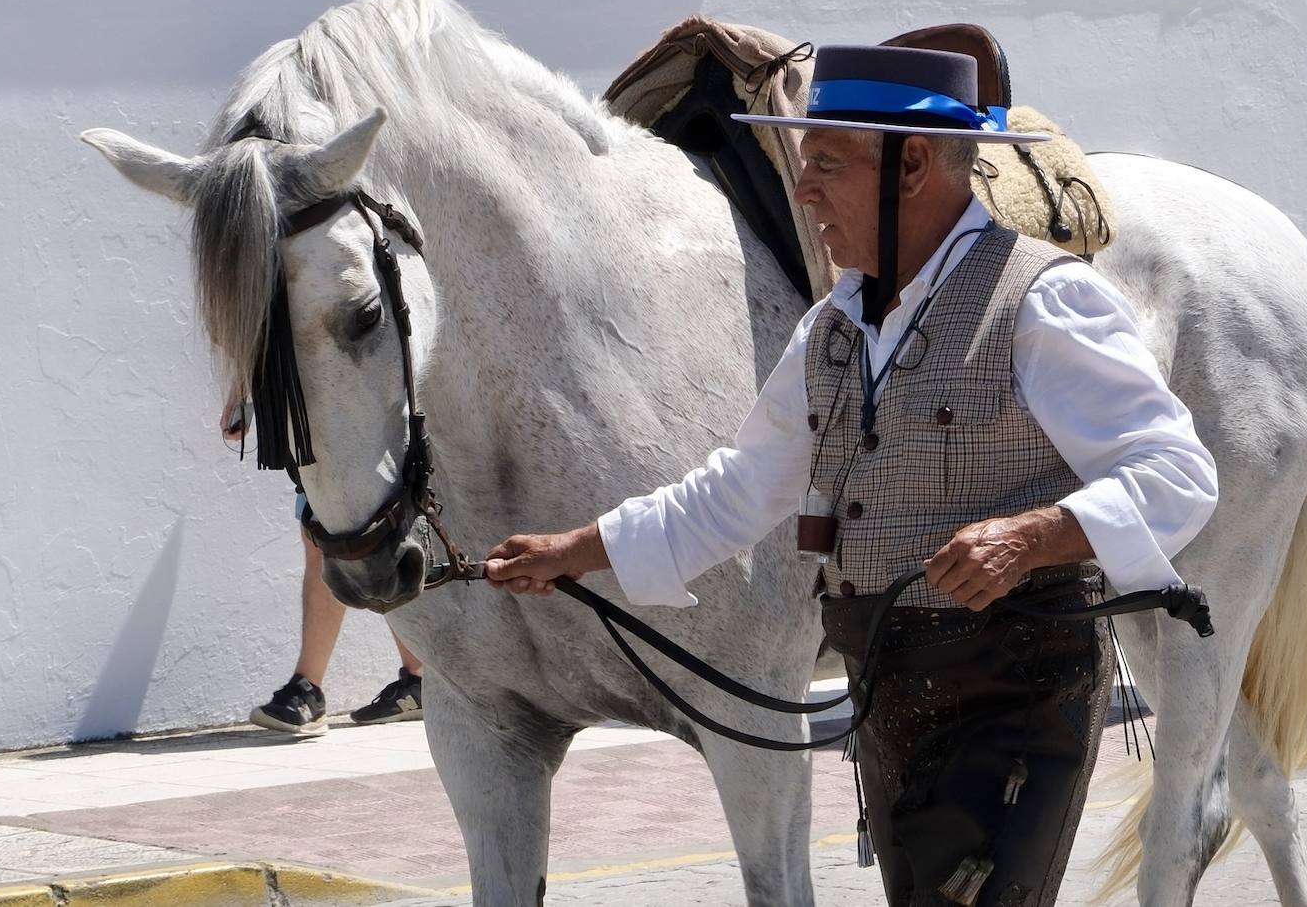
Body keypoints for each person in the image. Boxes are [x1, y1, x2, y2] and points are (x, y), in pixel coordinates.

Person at [482, 45, 1217, 907]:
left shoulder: (1042, 303)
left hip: (1016, 698)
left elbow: (1177, 473)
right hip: (889, 697)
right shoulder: (834, 326)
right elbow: (736, 488)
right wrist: (575, 550)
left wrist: (1035, 536)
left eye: (827, 162)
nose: (804, 190)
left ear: (911, 164)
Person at [220, 400, 426, 737]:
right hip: (316, 414)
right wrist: (241, 397)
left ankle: (309, 689)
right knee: (333, 538)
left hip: (349, 411)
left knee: (339, 538)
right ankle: (416, 680)